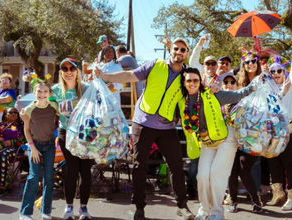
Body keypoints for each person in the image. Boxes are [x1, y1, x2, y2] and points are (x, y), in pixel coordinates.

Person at [96, 38, 195, 220]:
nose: (179, 52)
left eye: (183, 49)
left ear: (186, 53)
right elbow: (130, 76)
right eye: (176, 48)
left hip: (167, 126)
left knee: (176, 166)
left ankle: (182, 205)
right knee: (140, 166)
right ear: (170, 50)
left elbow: (196, 92)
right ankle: (139, 207)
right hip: (143, 122)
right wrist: (105, 76)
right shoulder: (155, 65)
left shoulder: (186, 76)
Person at [178, 67, 256, 219]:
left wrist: (254, 86)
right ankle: (204, 210)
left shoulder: (212, 94)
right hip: (207, 142)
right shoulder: (182, 101)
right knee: (202, 176)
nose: (192, 83)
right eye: (189, 80)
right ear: (184, 82)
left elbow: (238, 94)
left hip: (226, 138)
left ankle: (217, 213)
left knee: (216, 175)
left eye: (195, 80)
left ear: (200, 81)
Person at [49, 58, 92, 220]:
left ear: (77, 71)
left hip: (85, 135)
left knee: (86, 172)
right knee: (71, 170)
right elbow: (41, 101)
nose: (68, 72)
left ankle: (84, 208)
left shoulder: (87, 89)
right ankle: (68, 207)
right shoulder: (55, 90)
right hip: (66, 134)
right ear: (61, 72)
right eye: (64, 69)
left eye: (71, 68)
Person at [267, 34, 292, 210]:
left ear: (284, 72)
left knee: (288, 163)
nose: (276, 74)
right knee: (274, 162)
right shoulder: (269, 89)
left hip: (291, 130)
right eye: (272, 71)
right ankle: (278, 193)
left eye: (279, 70)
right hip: (274, 130)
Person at [219, 72, 264, 214]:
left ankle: (256, 202)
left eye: (232, 82)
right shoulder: (218, 102)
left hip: (247, 142)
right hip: (228, 143)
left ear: (237, 85)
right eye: (226, 82)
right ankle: (233, 201)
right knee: (231, 173)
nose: (229, 85)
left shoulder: (246, 99)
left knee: (245, 171)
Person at [19, 82, 58, 220]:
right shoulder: (29, 109)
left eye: (45, 91)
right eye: (39, 91)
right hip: (34, 146)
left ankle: (45, 211)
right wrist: (32, 148)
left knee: (49, 178)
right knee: (33, 177)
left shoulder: (54, 106)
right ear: (34, 93)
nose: (42, 94)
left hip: (50, 147)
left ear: (50, 94)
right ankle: (25, 212)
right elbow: (26, 130)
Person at [0, 107, 25, 194]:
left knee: (2, 154)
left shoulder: (20, 126)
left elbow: (24, 139)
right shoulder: (0, 125)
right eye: (10, 112)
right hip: (0, 147)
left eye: (15, 112)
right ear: (5, 115)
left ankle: (3, 184)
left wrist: (11, 142)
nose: (14, 114)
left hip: (16, 149)